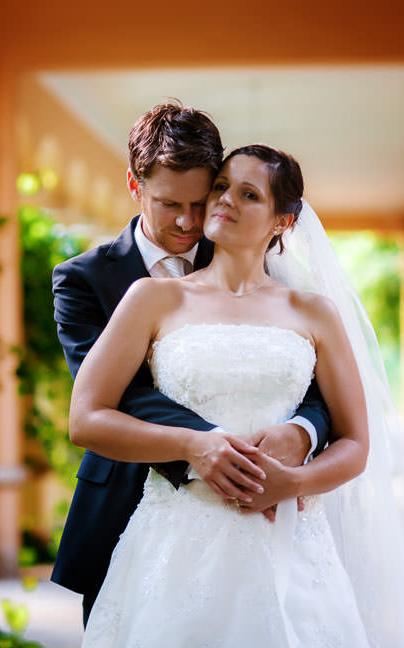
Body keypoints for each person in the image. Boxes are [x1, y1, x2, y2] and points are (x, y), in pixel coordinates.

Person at [70, 144, 404, 647]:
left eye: (248, 194)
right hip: (178, 542)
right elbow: (86, 419)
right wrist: (192, 445)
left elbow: (356, 443)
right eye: (221, 187)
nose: (224, 200)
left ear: (282, 221)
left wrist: (293, 482)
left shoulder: (313, 312)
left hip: (289, 541)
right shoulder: (153, 298)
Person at [49, 102, 333, 624]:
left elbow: (304, 375)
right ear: (134, 185)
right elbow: (122, 394)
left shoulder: (244, 252)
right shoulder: (83, 280)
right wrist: (215, 445)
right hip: (129, 507)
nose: (187, 222)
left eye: (200, 203)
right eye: (168, 204)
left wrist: (302, 432)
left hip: (261, 508)